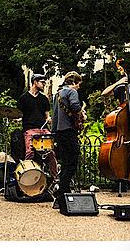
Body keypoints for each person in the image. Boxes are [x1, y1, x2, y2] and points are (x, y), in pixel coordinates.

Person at [52, 71, 86, 210]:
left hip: (59, 132)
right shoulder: (72, 92)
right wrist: (82, 111)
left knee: (65, 164)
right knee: (72, 163)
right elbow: (75, 107)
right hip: (69, 131)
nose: (78, 88)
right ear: (74, 82)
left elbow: (54, 115)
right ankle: (63, 195)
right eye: (78, 85)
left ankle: (60, 197)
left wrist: (54, 133)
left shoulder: (57, 94)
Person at [17, 74, 57, 180]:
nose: (44, 84)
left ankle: (55, 178)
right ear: (35, 82)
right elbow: (19, 115)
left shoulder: (44, 98)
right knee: (29, 152)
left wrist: (49, 120)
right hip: (30, 129)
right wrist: (16, 119)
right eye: (42, 82)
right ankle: (27, 177)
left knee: (51, 152)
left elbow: (47, 116)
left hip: (43, 129)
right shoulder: (23, 98)